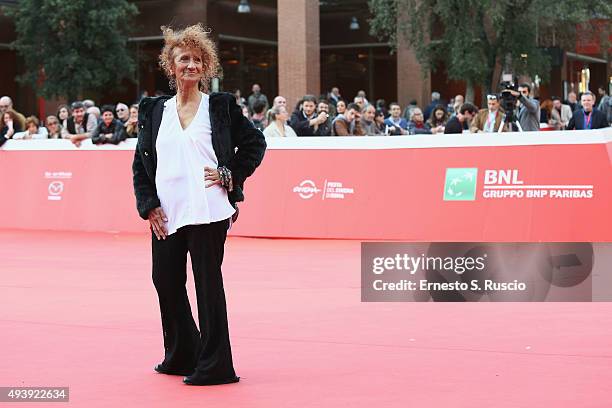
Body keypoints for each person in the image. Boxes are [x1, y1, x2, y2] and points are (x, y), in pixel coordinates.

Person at [132, 24, 266, 386]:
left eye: (197, 60)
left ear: (206, 67)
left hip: (208, 209)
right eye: (183, 59)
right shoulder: (152, 110)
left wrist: (230, 173)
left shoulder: (220, 107)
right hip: (167, 211)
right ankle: (182, 353)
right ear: (171, 66)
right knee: (166, 280)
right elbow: (140, 164)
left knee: (208, 285)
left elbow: (255, 144)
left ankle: (216, 366)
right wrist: (148, 206)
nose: (190, 65)